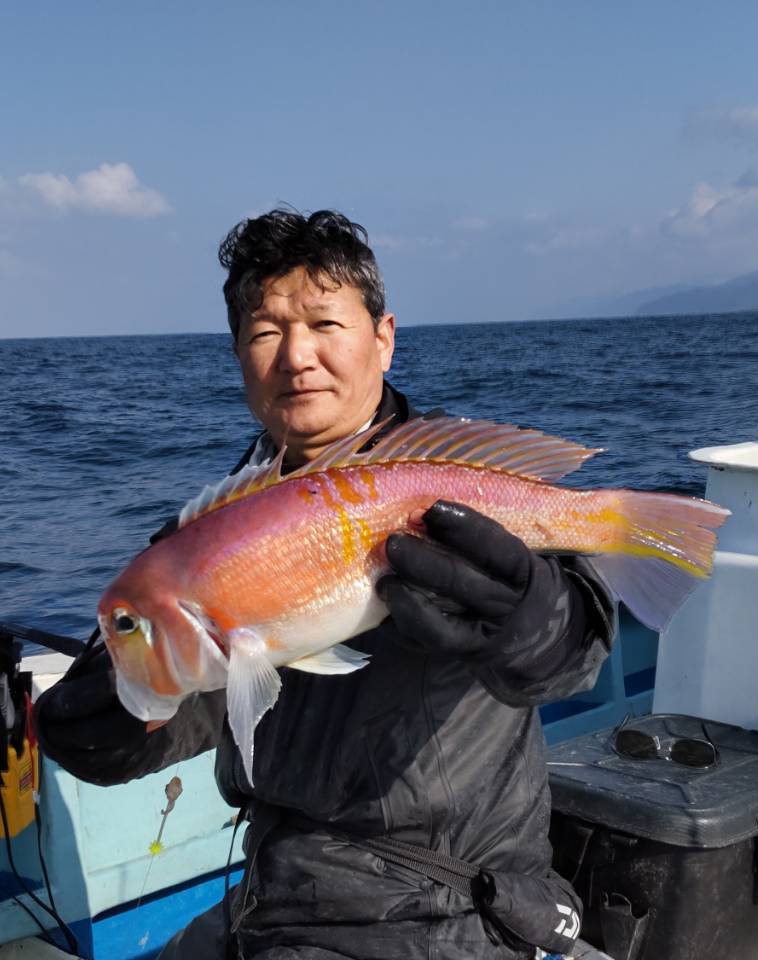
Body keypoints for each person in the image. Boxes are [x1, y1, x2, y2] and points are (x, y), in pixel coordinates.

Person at [35, 208, 618, 959]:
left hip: (451, 907)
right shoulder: (208, 536)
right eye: (265, 332)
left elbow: (578, 655)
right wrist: (113, 714)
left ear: (384, 337)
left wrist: (535, 615)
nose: (296, 357)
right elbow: (170, 712)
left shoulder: (459, 481)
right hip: (277, 893)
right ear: (239, 355)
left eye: (324, 323)